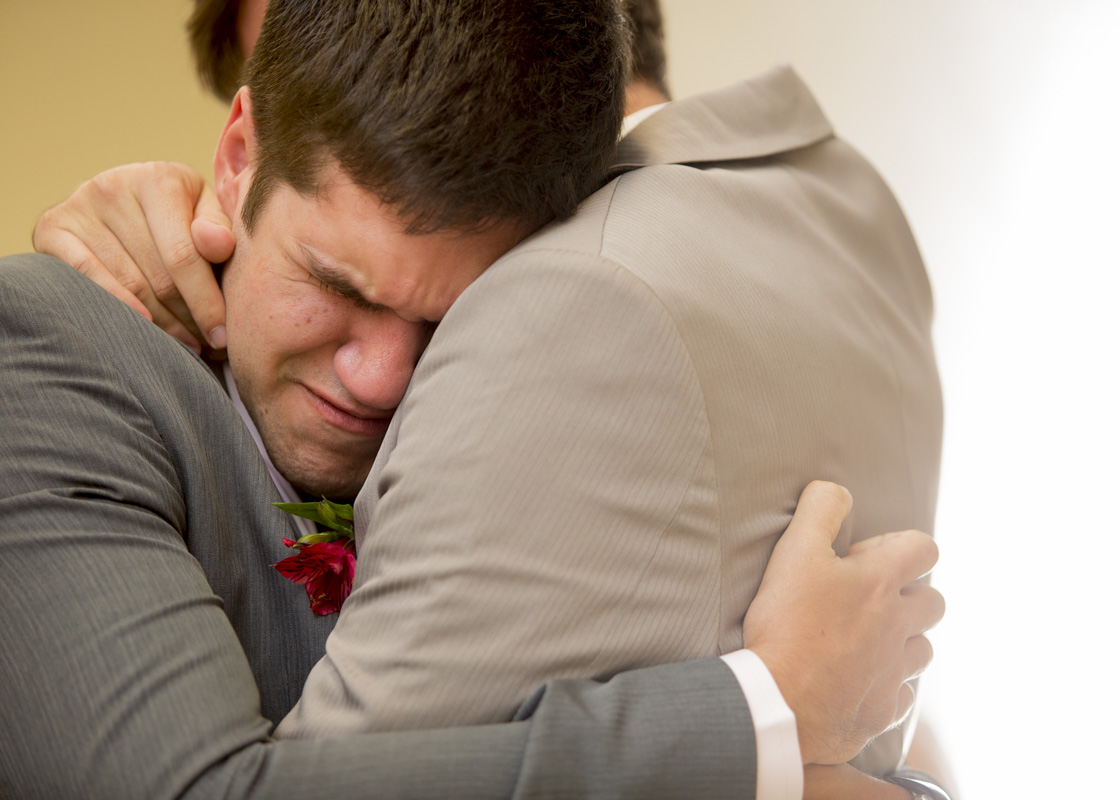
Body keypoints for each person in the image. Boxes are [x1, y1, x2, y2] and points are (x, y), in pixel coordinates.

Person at [30, 0, 951, 796]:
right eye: (337, 284)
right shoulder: (50, 346)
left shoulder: (569, 298)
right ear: (242, 150)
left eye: (441, 320)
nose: (381, 376)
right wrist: (758, 721)